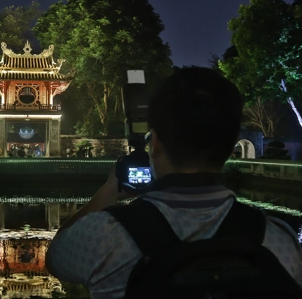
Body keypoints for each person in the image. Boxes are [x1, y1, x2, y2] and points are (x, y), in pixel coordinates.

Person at [45, 67, 302, 298]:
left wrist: (108, 191)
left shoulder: (104, 235)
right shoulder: (279, 240)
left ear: (154, 144)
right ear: (230, 145)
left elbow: (56, 257)